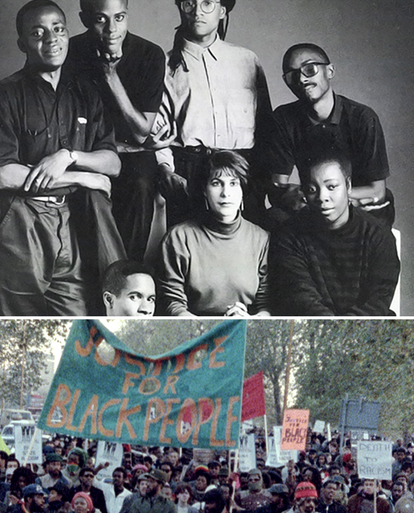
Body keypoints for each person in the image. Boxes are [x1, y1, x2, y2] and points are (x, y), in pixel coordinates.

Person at [0, 0, 124, 316]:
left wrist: (67, 156)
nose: (51, 40)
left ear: (67, 34)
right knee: (19, 326)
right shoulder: (2, 95)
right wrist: (82, 176)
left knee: (78, 323)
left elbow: (112, 163)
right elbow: (2, 176)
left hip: (70, 220)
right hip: (20, 220)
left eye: (58, 29)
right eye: (38, 33)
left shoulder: (85, 92)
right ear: (22, 44)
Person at [151, 0, 272, 229]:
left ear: (222, 10)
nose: (198, 11)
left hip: (243, 168)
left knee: (248, 249)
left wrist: (262, 178)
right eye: (189, 3)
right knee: (192, 250)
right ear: (180, 7)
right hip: (190, 170)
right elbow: (159, 130)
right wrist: (166, 169)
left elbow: (266, 126)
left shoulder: (247, 60)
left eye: (207, 3)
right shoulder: (165, 66)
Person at [67, 0, 167, 264]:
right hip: (86, 152)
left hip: (133, 155)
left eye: (119, 18)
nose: (112, 29)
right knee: (86, 198)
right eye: (101, 19)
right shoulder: (69, 51)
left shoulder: (150, 54)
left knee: (141, 184)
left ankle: (125, 275)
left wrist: (111, 77)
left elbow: (140, 133)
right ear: (85, 18)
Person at [266, 43, 394, 226]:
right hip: (312, 204)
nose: (301, 79)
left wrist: (325, 198)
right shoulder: (283, 118)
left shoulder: (363, 118)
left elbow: (376, 192)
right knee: (274, 218)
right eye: (292, 75)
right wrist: (307, 198)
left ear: (330, 71)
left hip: (358, 208)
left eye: (309, 69)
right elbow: (277, 188)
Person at [267, 150, 400, 316]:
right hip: (315, 329)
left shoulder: (378, 235)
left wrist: (345, 332)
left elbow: (377, 302)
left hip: (364, 329)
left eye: (331, 187)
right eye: (312, 189)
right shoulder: (289, 235)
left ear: (348, 186)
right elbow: (302, 298)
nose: (322, 197)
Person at [157, 150, 270, 316]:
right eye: (216, 183)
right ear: (204, 189)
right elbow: (172, 303)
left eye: (233, 183)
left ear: (243, 189)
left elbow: (266, 305)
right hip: (196, 330)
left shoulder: (261, 239)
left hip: (242, 326)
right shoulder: (179, 238)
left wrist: (249, 319)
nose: (226, 193)